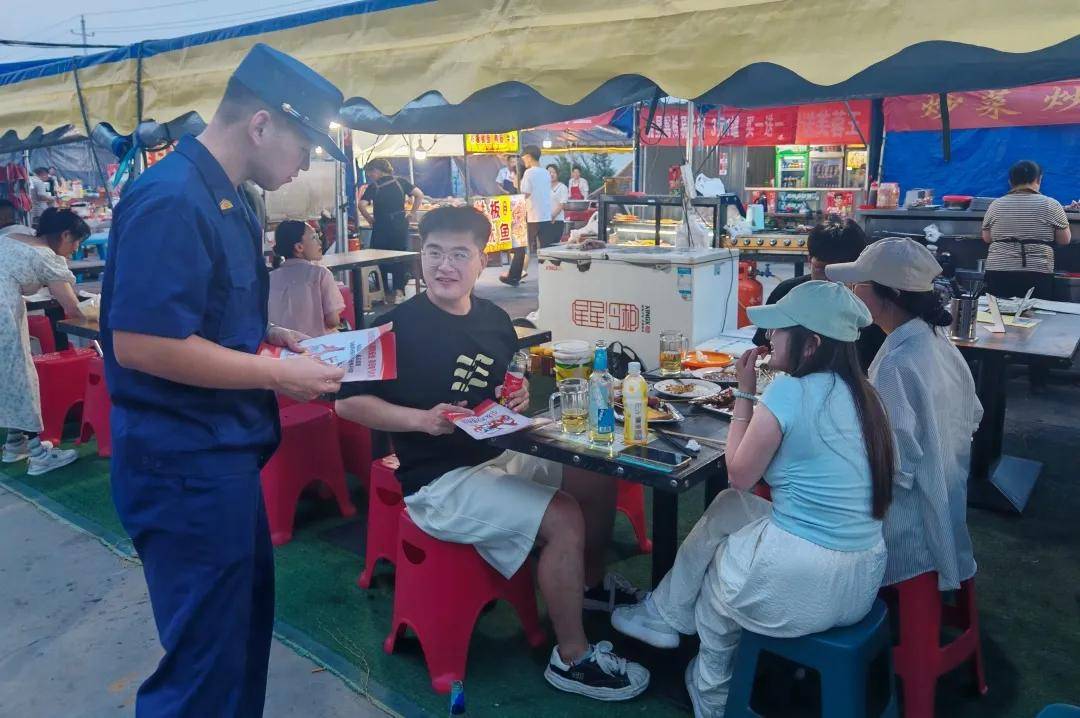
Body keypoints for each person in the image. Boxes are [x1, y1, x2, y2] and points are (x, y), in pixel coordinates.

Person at [99, 44, 348, 717]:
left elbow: (207, 318)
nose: (307, 163)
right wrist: (275, 373)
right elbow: (143, 343)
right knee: (202, 670)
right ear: (261, 124)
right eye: (306, 145)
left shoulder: (231, 200)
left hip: (222, 460)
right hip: (182, 467)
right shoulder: (172, 200)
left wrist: (277, 339)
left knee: (237, 644)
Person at [336, 205, 650, 702]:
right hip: (438, 483)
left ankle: (587, 587)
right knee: (563, 515)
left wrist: (515, 398)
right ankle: (571, 659)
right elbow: (348, 404)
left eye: (460, 254)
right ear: (421, 257)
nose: (445, 266)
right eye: (434, 252)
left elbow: (501, 389)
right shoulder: (393, 326)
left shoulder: (496, 321)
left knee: (592, 474)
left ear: (483, 262)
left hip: (493, 456)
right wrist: (421, 420)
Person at [611, 280, 894, 717]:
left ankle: (711, 695)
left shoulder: (790, 391)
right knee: (728, 508)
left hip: (807, 584)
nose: (768, 339)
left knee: (719, 580)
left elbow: (740, 472)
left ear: (811, 344)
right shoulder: (866, 395)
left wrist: (745, 390)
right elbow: (739, 493)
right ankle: (663, 614)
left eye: (779, 330)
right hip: (862, 578)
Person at [827, 238, 982, 591]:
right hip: (947, 504)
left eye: (857, 286)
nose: (850, 293)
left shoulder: (897, 363)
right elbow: (973, 415)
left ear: (891, 293)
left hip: (908, 530)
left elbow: (891, 462)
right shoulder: (937, 339)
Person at [1, 208, 88, 474]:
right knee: (21, 376)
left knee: (8, 377)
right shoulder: (47, 257)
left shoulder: (16, 234)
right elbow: (72, 309)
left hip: (7, 307)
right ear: (64, 235)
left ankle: (15, 444)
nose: (74, 250)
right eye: (75, 243)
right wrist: (96, 315)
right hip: (3, 314)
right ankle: (39, 455)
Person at [752, 220, 885, 371]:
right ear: (810, 261)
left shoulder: (868, 309)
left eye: (840, 271)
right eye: (822, 269)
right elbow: (764, 350)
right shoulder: (787, 294)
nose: (830, 280)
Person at [981, 160, 1072, 300]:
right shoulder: (1051, 204)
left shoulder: (996, 205)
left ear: (1010, 182)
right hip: (1036, 272)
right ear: (1038, 179)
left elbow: (987, 238)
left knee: (998, 315)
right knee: (1035, 316)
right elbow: (1064, 239)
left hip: (998, 271)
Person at [359, 158, 424, 302]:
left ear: (377, 171)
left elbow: (361, 205)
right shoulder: (401, 182)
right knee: (399, 257)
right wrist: (411, 213)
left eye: (371, 173)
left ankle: (383, 292)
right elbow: (419, 195)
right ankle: (399, 292)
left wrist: (370, 219)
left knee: (379, 257)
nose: (370, 176)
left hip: (381, 226)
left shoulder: (373, 187)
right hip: (400, 225)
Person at [269, 219, 344, 337]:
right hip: (317, 346)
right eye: (314, 237)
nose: (320, 241)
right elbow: (332, 321)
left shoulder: (270, 278)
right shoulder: (321, 274)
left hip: (281, 348)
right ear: (299, 247)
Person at [501, 145, 554, 286]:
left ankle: (513, 277)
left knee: (520, 248)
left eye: (524, 158)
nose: (523, 161)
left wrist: (515, 184)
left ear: (529, 157)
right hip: (545, 215)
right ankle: (552, 277)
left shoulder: (529, 173)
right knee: (546, 248)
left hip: (532, 215)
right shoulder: (545, 172)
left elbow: (525, 193)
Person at [548, 163, 568, 242]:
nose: (551, 174)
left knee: (554, 244)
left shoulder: (562, 187)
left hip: (557, 220)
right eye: (549, 172)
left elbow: (562, 204)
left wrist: (552, 217)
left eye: (554, 172)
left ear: (558, 174)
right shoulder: (544, 186)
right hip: (545, 220)